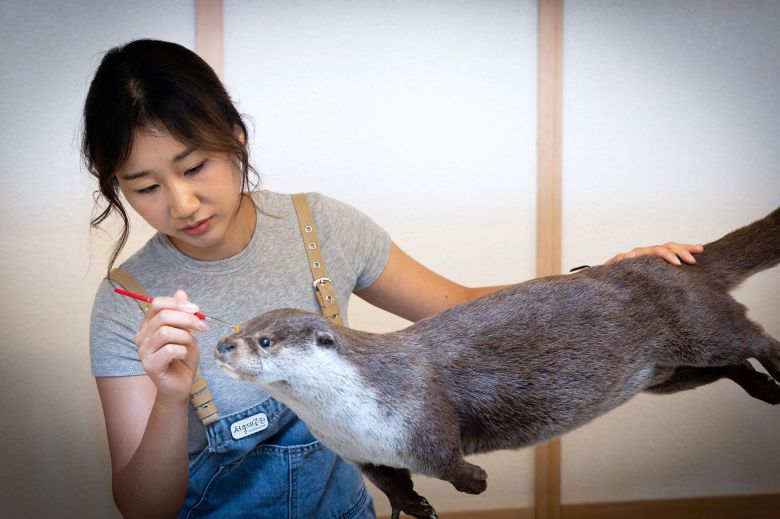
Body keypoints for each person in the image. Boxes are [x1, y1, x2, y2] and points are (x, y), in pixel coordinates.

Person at [83, 39, 703, 519]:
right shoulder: (126, 303)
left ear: (235, 138)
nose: (182, 203)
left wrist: (603, 280)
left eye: (195, 166)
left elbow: (459, 305)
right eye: (146, 187)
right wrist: (170, 397)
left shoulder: (318, 226)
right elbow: (142, 509)